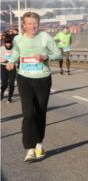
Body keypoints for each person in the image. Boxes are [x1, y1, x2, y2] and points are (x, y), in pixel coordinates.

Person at [6, 13, 61, 162]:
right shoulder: (18, 39)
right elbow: (16, 53)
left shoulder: (45, 37)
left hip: (42, 79)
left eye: (35, 23)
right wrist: (11, 61)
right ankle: (30, 149)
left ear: (39, 24)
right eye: (29, 23)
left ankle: (38, 144)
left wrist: (45, 57)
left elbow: (58, 54)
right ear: (24, 25)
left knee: (40, 112)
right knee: (28, 113)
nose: (33, 26)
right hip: (24, 78)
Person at [2, 30, 17, 103]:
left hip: (12, 67)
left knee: (11, 83)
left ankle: (9, 98)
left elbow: (17, 57)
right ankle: (2, 92)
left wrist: (14, 62)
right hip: (3, 67)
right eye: (7, 43)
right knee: (4, 84)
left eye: (9, 43)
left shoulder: (14, 48)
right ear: (4, 43)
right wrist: (3, 60)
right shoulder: (1, 48)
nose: (8, 44)